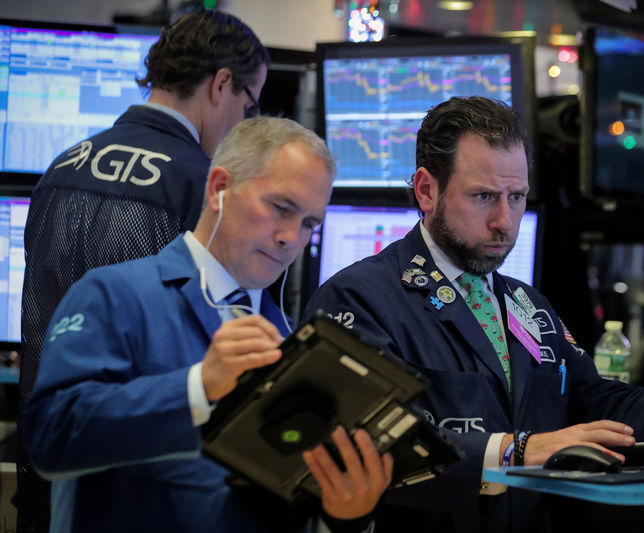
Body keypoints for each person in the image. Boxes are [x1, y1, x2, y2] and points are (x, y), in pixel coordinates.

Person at [302, 96, 644, 532]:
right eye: (484, 196)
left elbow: (598, 401)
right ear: (426, 190)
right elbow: (376, 438)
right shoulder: (359, 298)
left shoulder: (529, 305)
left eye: (516, 197)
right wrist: (518, 450)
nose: (505, 221)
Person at [23, 116, 393, 532]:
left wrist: (343, 516)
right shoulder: (115, 295)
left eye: (309, 223)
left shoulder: (287, 338)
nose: (291, 237)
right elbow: (50, 438)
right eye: (280, 208)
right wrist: (197, 387)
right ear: (219, 188)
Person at [16, 9, 270, 531]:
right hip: (144, 490)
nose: (242, 123)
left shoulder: (60, 166)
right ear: (221, 84)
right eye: (249, 105)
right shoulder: (206, 186)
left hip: (48, 460)